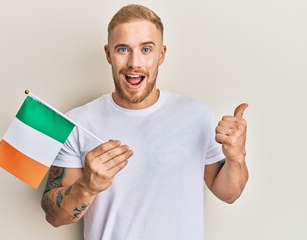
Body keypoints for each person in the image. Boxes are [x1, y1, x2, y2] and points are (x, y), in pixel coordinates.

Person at [41, 4, 248, 240]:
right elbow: (54, 217)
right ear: (108, 54)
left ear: (161, 54)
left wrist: (236, 158)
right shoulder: (79, 122)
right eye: (122, 49)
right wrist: (87, 186)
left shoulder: (196, 115)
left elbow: (229, 194)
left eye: (146, 49)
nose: (134, 63)